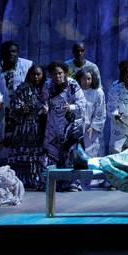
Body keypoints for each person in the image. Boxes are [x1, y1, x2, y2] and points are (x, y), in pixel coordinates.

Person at [2, 64, 49, 190]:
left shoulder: (46, 89)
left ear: (43, 75)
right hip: (24, 127)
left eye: (38, 74)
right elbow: (13, 108)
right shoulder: (22, 88)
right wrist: (21, 109)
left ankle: (38, 181)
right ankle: (22, 181)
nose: (36, 77)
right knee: (23, 156)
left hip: (40, 128)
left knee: (38, 157)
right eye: (34, 74)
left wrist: (46, 110)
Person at [41, 61, 85, 190]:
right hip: (53, 125)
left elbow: (82, 104)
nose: (57, 76)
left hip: (70, 125)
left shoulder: (73, 84)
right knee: (51, 154)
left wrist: (71, 107)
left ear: (65, 73)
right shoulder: (47, 85)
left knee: (71, 153)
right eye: (54, 74)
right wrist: (44, 107)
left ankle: (72, 183)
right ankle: (53, 183)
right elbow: (43, 101)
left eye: (60, 73)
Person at [0, 40, 33, 149]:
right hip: (3, 111)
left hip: (22, 109)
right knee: (3, 143)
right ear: (2, 53)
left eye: (14, 51)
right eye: (8, 52)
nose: (11, 54)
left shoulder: (27, 65)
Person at [75, 68, 107, 159]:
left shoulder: (98, 92)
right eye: (84, 79)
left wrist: (94, 126)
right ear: (79, 79)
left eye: (89, 79)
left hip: (91, 129)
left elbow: (101, 110)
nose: (87, 82)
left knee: (92, 154)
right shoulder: (75, 91)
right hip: (77, 128)